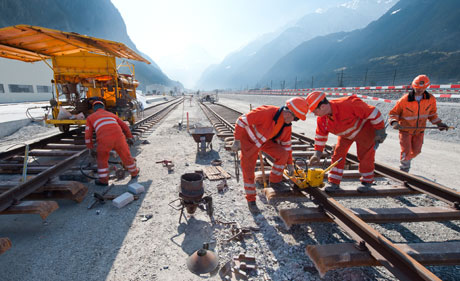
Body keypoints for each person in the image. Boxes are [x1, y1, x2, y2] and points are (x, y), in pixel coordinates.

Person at [231, 97, 309, 213]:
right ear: (289, 113)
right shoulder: (266, 112)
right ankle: (251, 200)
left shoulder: (286, 125)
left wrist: (290, 164)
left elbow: (287, 147)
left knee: (283, 154)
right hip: (249, 141)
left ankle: (275, 182)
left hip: (264, 140)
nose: (294, 121)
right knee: (248, 170)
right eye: (296, 118)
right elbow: (241, 121)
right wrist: (237, 140)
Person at [307, 91, 386, 193]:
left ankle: (367, 183)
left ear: (322, 107)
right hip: (345, 135)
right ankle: (334, 183)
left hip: (365, 131)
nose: (314, 114)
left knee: (365, 156)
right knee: (338, 154)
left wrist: (380, 131)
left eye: (314, 111)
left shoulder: (348, 104)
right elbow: (320, 136)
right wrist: (317, 154)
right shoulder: (322, 119)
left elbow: (374, 112)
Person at [389, 75, 449, 172]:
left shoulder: (431, 99)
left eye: (421, 88)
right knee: (406, 151)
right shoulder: (404, 100)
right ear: (413, 86)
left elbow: (432, 114)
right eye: (417, 88)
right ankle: (404, 170)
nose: (419, 90)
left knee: (416, 151)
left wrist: (439, 123)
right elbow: (394, 113)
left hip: (419, 131)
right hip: (405, 130)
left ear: (426, 87)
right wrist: (394, 122)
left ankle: (407, 159)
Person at [85, 100, 139, 186]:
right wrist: (129, 137)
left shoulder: (90, 117)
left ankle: (103, 181)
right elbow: (125, 126)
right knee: (126, 156)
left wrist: (90, 147)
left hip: (104, 140)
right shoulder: (112, 114)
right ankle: (134, 173)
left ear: (94, 109)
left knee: (102, 159)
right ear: (103, 107)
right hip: (119, 138)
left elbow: (88, 134)